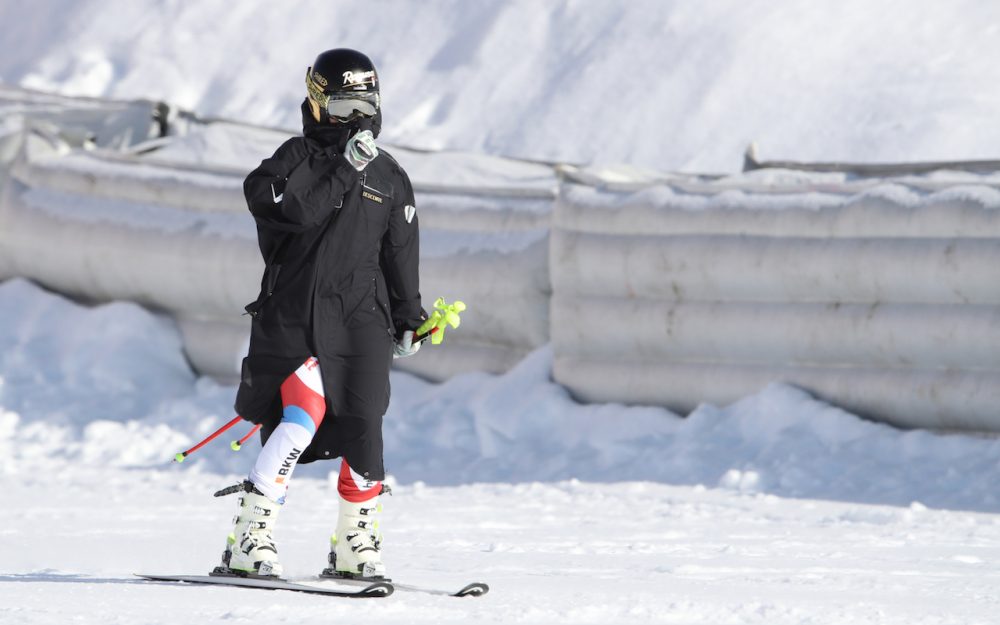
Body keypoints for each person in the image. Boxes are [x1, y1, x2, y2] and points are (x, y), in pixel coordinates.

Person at [215, 48, 424, 581]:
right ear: (316, 102)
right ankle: (250, 537)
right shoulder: (291, 160)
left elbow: (399, 251)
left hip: (360, 322)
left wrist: (408, 316)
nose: (354, 119)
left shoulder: (389, 174)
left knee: (364, 424)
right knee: (298, 421)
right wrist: (340, 170)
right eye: (341, 105)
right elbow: (291, 215)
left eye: (364, 104)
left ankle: (355, 544)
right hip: (295, 315)